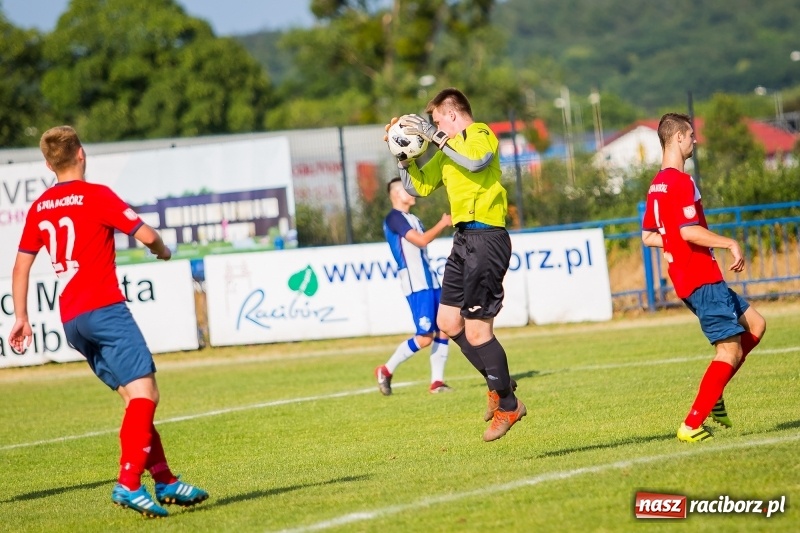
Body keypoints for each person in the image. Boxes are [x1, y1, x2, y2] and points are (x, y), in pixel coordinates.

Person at [9, 126, 209, 517]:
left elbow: (21, 266)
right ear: (81, 154)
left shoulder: (40, 207)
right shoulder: (96, 195)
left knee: (135, 401)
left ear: (48, 164)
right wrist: (163, 250)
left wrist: (21, 317)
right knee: (147, 394)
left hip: (72, 320)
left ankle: (166, 480)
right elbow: (146, 234)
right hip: (105, 309)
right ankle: (128, 483)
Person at [384, 87, 526, 442]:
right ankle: (500, 386)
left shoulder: (479, 134)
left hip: (487, 238)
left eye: (435, 120)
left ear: (451, 114)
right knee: (448, 323)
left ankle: (508, 404)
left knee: (478, 331)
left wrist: (435, 138)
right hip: (463, 240)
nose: (431, 127)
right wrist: (402, 155)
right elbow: (416, 187)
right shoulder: (447, 153)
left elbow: (476, 162)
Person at [641, 112, 767, 443]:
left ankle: (715, 392)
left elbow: (650, 236)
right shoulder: (681, 182)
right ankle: (691, 424)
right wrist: (729, 243)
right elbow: (688, 230)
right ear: (678, 138)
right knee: (728, 352)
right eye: (691, 135)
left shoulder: (657, 184)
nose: (695, 140)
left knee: (755, 325)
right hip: (701, 278)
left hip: (690, 277)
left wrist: (676, 243)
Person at [375, 177, 453, 396]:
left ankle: (437, 382)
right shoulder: (394, 218)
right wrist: (443, 223)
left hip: (431, 281)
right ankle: (386, 369)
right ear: (397, 193)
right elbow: (420, 241)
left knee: (445, 328)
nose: (413, 192)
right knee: (425, 337)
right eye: (407, 189)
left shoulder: (413, 218)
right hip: (417, 285)